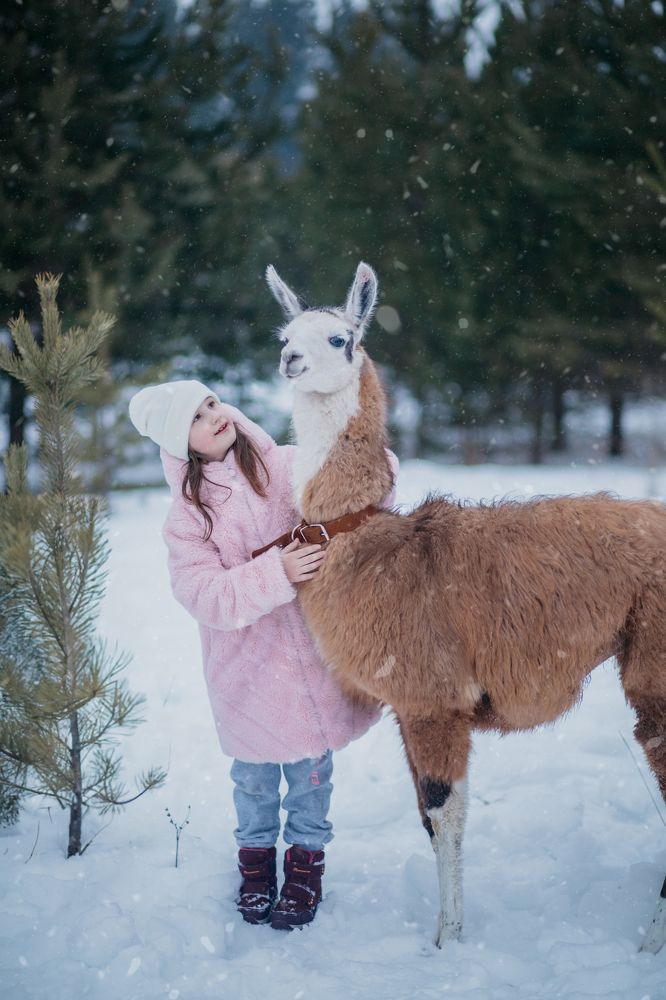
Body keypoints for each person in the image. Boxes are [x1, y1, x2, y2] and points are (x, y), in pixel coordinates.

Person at [129, 379, 397, 931]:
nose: (214, 415)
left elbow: (370, 477)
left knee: (311, 778)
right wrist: (276, 572)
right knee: (253, 783)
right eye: (197, 418)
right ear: (181, 445)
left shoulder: (284, 467)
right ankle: (255, 866)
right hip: (247, 671)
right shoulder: (189, 518)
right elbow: (204, 595)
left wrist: (356, 462)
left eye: (211, 402)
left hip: (312, 657)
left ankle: (304, 866)